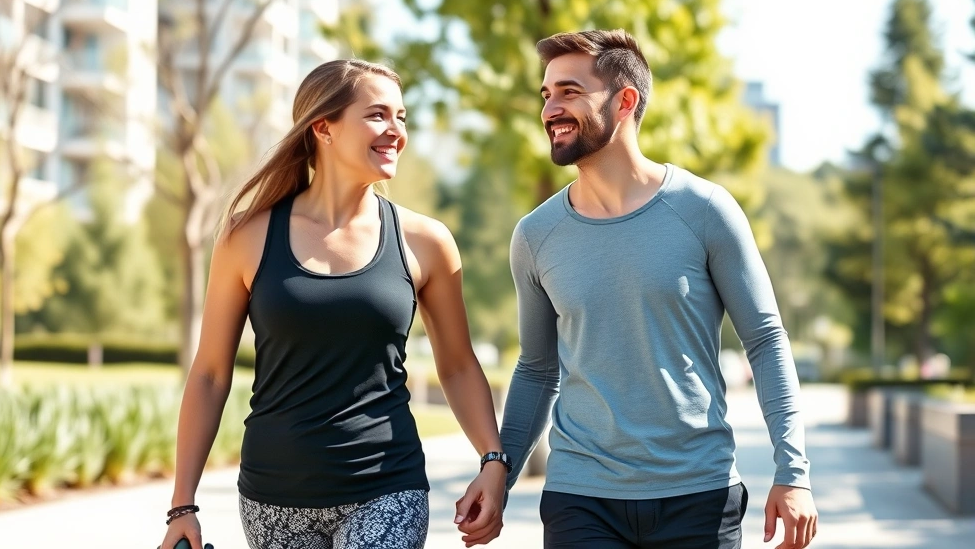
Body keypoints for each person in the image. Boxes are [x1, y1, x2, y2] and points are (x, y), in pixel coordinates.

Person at [490, 29, 819, 549]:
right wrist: (499, 473)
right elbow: (537, 367)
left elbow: (765, 340)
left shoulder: (705, 210)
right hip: (581, 498)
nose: (550, 108)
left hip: (698, 496)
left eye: (569, 92)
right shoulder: (535, 235)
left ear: (625, 101)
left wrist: (793, 471)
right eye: (546, 94)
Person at [159, 59, 507, 549]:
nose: (396, 132)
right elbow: (210, 374)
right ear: (323, 127)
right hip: (274, 497)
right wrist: (182, 504)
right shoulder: (247, 236)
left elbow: (456, 364)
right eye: (378, 115)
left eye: (402, 117)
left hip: (387, 487)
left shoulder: (425, 240)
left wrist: (493, 460)